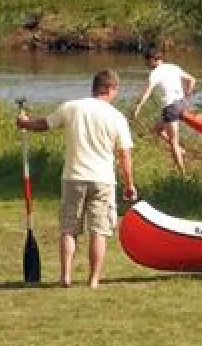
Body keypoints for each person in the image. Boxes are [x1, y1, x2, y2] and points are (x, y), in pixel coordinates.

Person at [16, 70, 137, 289]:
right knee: (99, 231)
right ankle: (93, 280)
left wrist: (25, 123)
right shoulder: (117, 117)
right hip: (103, 180)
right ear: (110, 89)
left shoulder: (72, 107)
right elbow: (125, 155)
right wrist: (129, 185)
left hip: (74, 177)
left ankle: (66, 277)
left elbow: (44, 124)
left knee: (69, 229)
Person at [133, 48, 196, 175]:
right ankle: (181, 150)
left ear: (153, 60)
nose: (146, 65)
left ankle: (183, 175)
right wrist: (187, 96)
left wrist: (138, 107)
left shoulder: (155, 73)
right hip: (181, 103)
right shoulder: (173, 67)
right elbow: (192, 79)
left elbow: (147, 92)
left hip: (171, 108)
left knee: (173, 142)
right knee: (156, 130)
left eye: (147, 62)